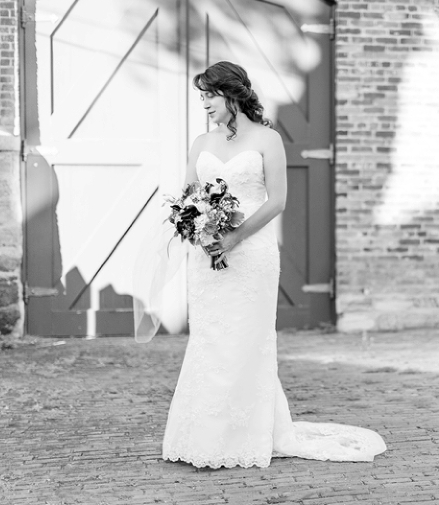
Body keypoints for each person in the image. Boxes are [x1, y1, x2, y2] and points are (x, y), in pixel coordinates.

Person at [161, 61, 387, 469]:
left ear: (232, 94)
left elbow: (277, 200)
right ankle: (206, 436)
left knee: (246, 341)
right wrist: (198, 229)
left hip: (252, 254)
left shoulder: (268, 139)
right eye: (201, 96)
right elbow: (188, 196)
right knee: (211, 340)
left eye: (210, 95)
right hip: (208, 256)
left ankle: (245, 436)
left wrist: (234, 236)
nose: (205, 104)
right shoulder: (200, 143)